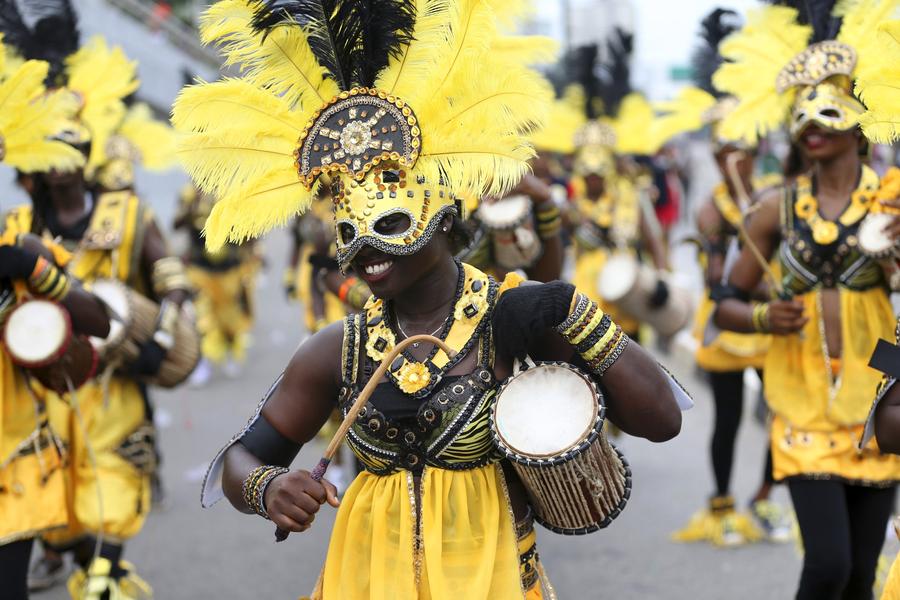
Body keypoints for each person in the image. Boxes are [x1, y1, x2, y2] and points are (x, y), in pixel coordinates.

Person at [174, 1, 687, 597]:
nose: (365, 244)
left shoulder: (512, 318)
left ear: (444, 217)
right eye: (348, 232)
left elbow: (660, 420)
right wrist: (269, 488)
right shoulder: (335, 349)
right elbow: (242, 458)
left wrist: (573, 313)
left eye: (388, 222)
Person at [712, 3, 900, 597]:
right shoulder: (775, 207)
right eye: (803, 111)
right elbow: (725, 304)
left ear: (860, 116)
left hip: (879, 391)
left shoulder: (891, 204)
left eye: (828, 107)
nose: (811, 123)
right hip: (799, 395)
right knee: (828, 566)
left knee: (861, 578)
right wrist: (768, 315)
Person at [2, 30, 191, 598]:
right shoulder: (17, 229)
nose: (60, 163)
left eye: (70, 149)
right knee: (57, 493)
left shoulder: (126, 212)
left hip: (114, 377)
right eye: (48, 152)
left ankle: (104, 573)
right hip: (44, 385)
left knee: (108, 484)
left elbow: (165, 271)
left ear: (86, 155)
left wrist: (168, 317)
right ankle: (68, 552)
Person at [664, 8, 789, 547]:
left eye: (745, 148)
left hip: (773, 324)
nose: (737, 158)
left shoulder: (774, 196)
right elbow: (720, 280)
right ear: (718, 153)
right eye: (728, 150)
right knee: (730, 418)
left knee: (781, 415)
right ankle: (722, 502)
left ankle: (764, 497)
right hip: (730, 324)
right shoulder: (714, 211)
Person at [0, 40, 111, 600]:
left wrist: (33, 269)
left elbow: (100, 319)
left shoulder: (17, 242)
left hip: (14, 460)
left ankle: (98, 563)